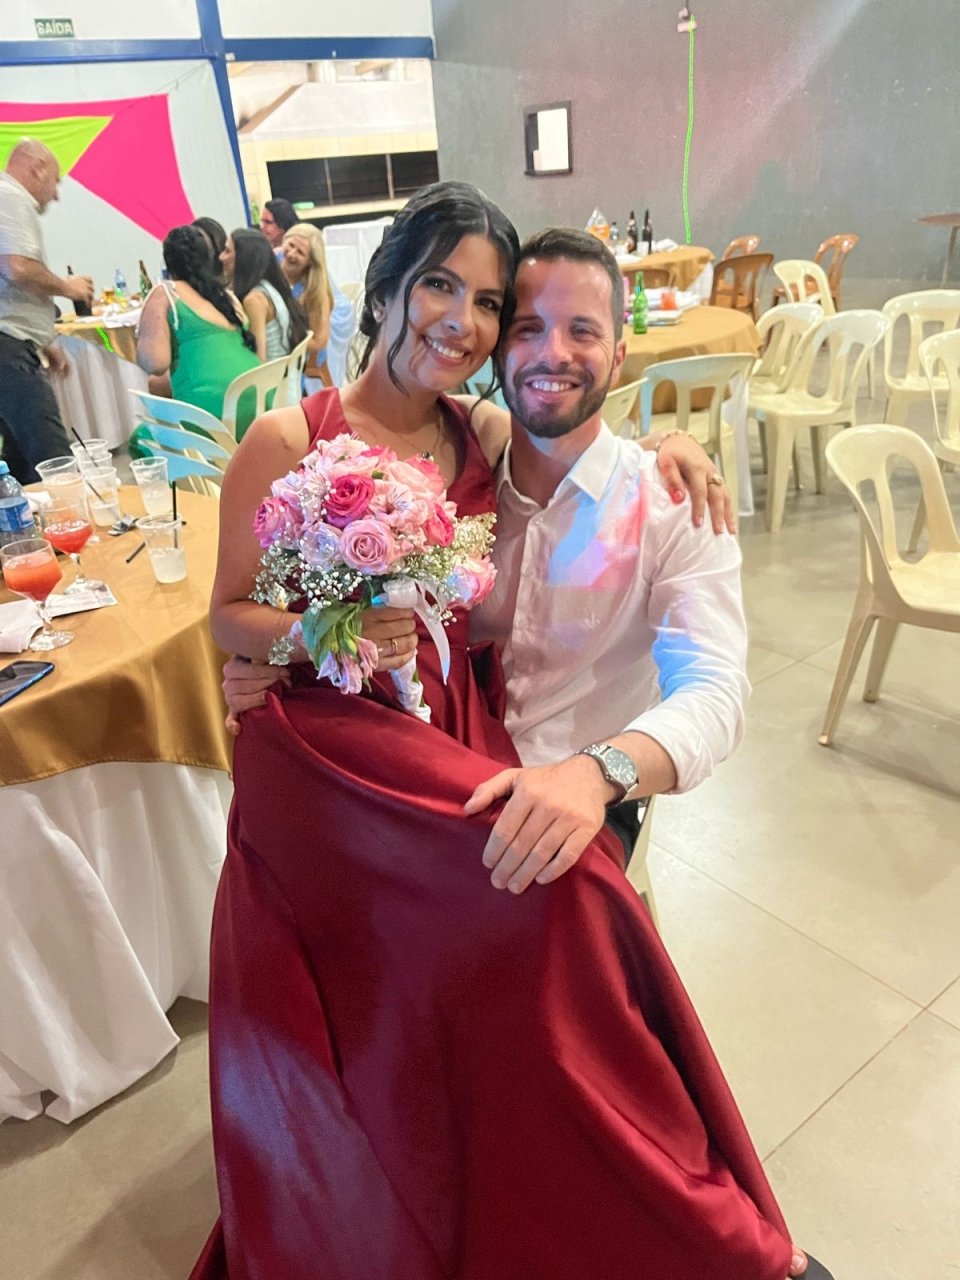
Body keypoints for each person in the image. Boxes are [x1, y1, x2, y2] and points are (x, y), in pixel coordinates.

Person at [194, 181, 826, 1280]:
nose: (470, 322)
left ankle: (661, 1219)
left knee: (550, 920)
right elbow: (226, 613)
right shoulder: (290, 437)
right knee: (500, 940)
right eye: (448, 288)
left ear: (618, 347)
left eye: (489, 303)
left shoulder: (479, 434)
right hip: (332, 753)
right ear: (385, 289)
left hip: (460, 742)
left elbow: (580, 443)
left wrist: (670, 448)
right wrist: (312, 634)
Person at [0, 138, 93, 482]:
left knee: (20, 460)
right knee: (52, 457)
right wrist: (68, 288)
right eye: (55, 181)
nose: (55, 195)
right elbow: (17, 268)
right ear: (37, 168)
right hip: (9, 348)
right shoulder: (10, 196)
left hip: (12, 342)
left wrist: (45, 339)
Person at [135, 225, 260, 445]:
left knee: (141, 440)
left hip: (211, 417)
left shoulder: (166, 294)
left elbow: (155, 364)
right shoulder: (227, 297)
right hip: (257, 404)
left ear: (168, 261)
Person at [230, 227, 308, 360]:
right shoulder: (272, 287)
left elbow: (258, 359)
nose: (221, 257)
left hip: (271, 371)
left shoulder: (254, 300)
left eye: (227, 251)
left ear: (243, 258)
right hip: (286, 370)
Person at [280, 221, 334, 390]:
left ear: (310, 261)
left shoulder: (316, 293)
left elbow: (320, 341)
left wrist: (281, 340)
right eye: (290, 245)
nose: (291, 254)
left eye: (300, 252)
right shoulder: (271, 267)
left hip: (303, 364)